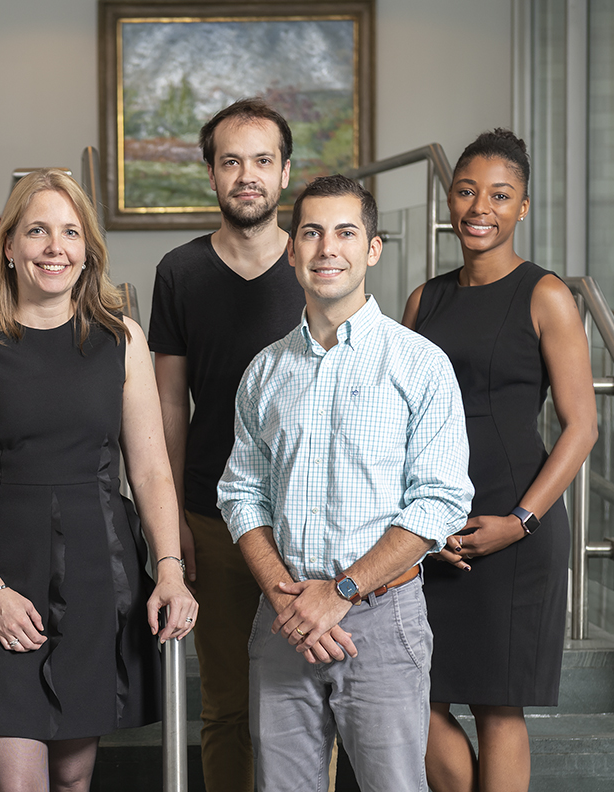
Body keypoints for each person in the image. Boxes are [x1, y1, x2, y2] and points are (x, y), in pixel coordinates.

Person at [0, 169, 198, 792]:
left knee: (74, 780)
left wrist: (170, 569)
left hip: (96, 578)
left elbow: (151, 470)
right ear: (9, 247)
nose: (55, 247)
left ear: (88, 250)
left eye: (71, 233)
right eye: (37, 231)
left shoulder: (121, 339)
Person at [219, 175, 474, 792]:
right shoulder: (264, 371)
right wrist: (287, 600)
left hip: (382, 621)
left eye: (345, 233)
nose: (326, 248)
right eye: (311, 232)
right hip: (284, 622)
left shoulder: (420, 364)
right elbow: (241, 494)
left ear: (373, 249)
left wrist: (341, 592)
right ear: (291, 250)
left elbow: (440, 502)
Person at [402, 129, 597, 792]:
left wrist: (519, 521)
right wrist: (419, 528)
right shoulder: (424, 300)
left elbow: (582, 426)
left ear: (523, 207)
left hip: (516, 521)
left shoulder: (546, 295)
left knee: (497, 705)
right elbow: (401, 421)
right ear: (449, 200)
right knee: (413, 695)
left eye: (500, 194)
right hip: (433, 525)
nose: (479, 207)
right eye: (466, 191)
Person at [149, 96, 305, 791]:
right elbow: (167, 405)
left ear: (285, 173)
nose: (248, 176)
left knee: (308, 705)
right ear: (211, 174)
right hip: (212, 517)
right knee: (226, 705)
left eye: (262, 161)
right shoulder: (179, 272)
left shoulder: (317, 263)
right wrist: (173, 520)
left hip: (307, 520)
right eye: (231, 161)